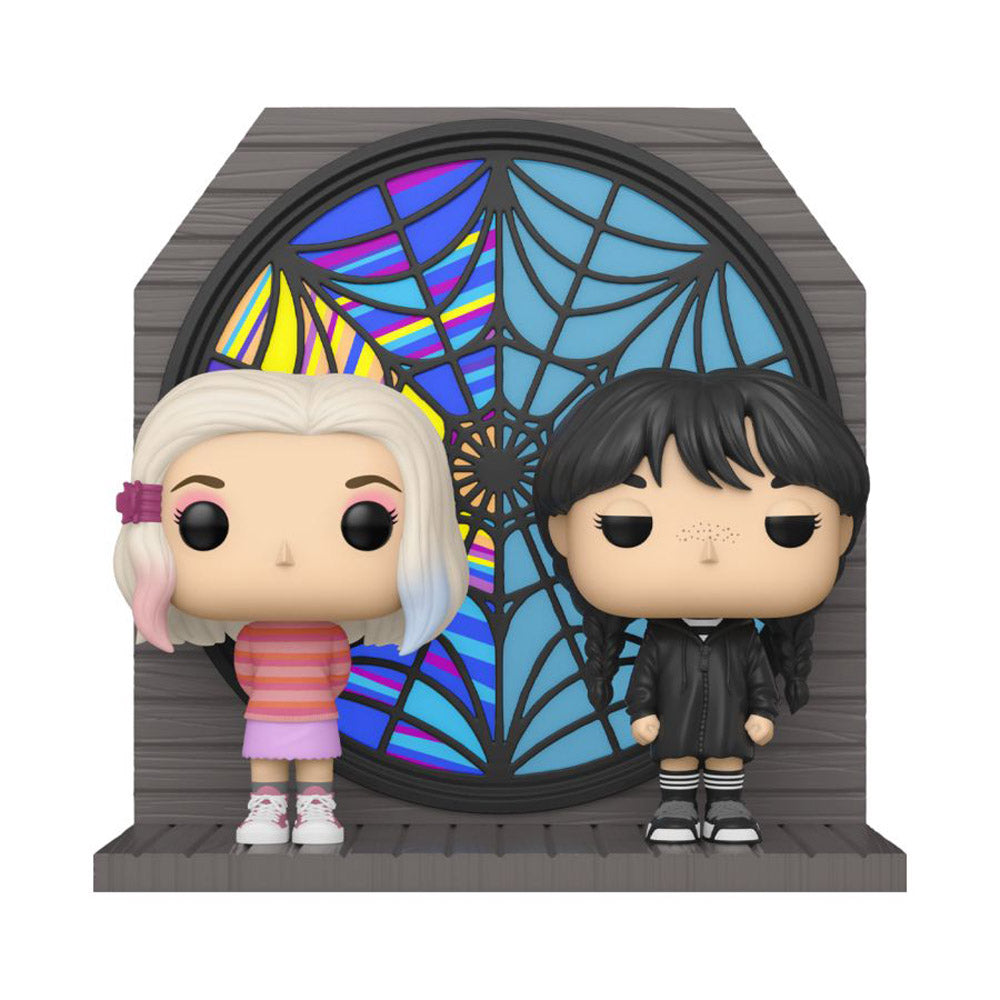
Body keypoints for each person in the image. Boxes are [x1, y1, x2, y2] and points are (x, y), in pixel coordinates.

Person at [114, 370, 468, 844]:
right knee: (268, 762)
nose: (284, 554)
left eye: (366, 525)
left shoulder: (290, 636)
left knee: (314, 760)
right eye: (205, 524)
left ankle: (314, 808)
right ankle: (271, 807)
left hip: (303, 713)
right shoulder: (295, 636)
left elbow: (254, 672)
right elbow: (332, 672)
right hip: (278, 714)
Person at [532, 368, 868, 843]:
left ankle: (727, 806)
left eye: (787, 525)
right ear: (563, 533)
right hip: (678, 725)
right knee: (677, 762)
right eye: (628, 526)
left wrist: (763, 712)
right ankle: (676, 807)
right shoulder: (663, 639)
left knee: (728, 762)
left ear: (841, 533)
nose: (708, 552)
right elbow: (645, 678)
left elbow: (758, 679)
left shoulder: (742, 639)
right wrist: (641, 712)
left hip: (729, 725)